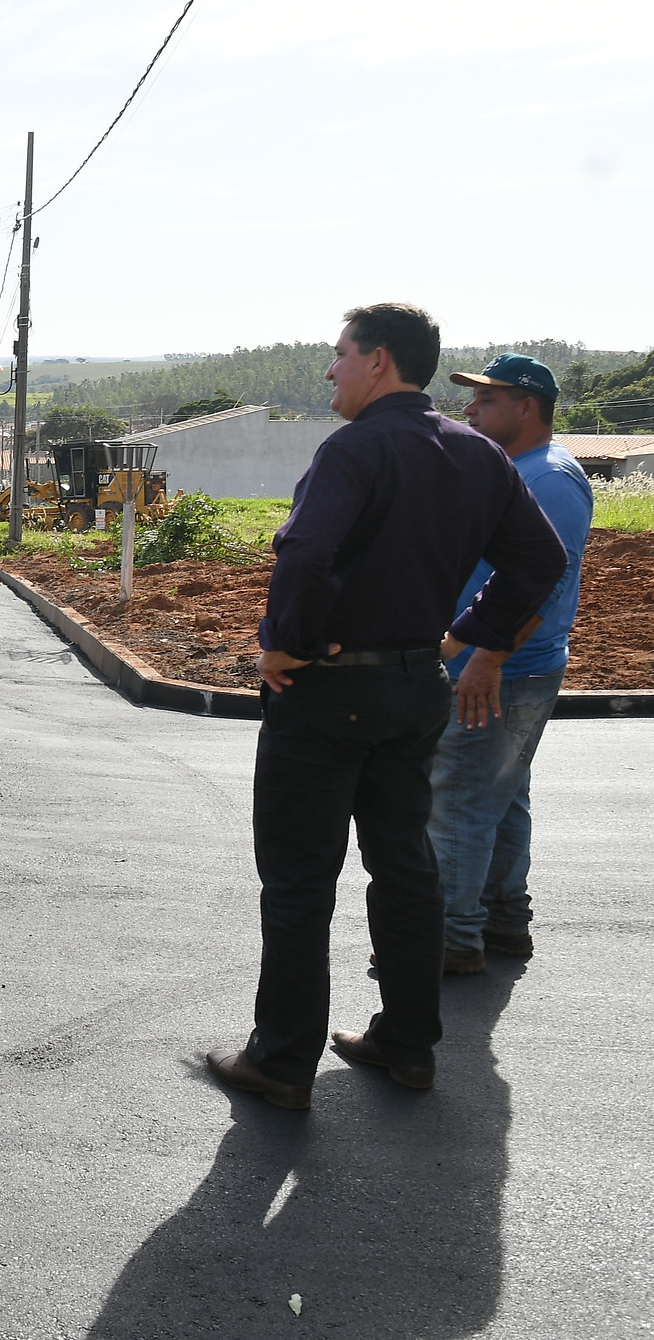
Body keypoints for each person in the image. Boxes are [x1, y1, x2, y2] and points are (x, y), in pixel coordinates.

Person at [207, 304, 566, 1110]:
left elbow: (304, 550)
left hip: (328, 690)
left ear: (378, 361)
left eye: (339, 354)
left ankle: (283, 1059)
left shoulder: (355, 449)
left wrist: (282, 645)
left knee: (300, 878)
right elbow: (538, 559)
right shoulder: (476, 453)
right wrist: (467, 634)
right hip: (415, 689)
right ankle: (408, 1043)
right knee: (405, 866)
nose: (330, 369)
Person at [431, 355, 592, 974]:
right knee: (502, 795)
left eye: (487, 399)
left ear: (526, 407)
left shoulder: (549, 479)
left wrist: (487, 657)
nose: (471, 409)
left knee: (458, 801)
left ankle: (450, 937)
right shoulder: (518, 470)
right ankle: (501, 919)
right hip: (504, 665)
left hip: (504, 669)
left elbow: (544, 585)